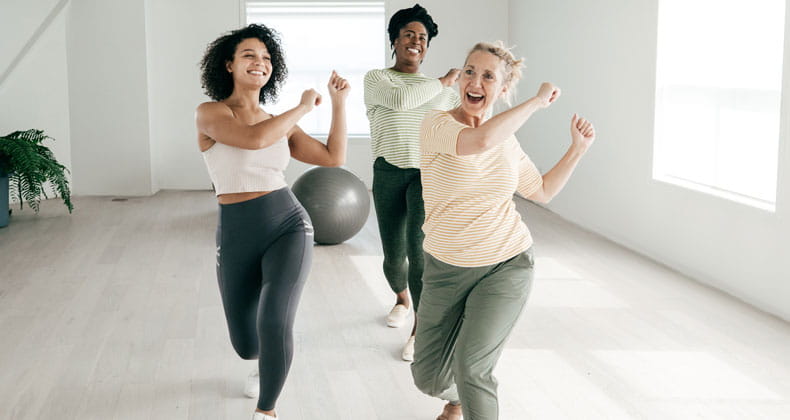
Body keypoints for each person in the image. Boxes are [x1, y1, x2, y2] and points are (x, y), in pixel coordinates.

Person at [411, 41, 596, 420]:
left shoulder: (506, 141)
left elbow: (541, 190)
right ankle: (458, 396)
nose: (475, 82)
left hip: (506, 264)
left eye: (488, 76)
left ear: (503, 90)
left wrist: (577, 149)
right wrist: (536, 102)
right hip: (446, 269)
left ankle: (472, 391)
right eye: (469, 71)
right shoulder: (437, 124)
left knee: (473, 369)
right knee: (427, 378)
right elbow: (479, 141)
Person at [196, 24, 349, 420]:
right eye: (249, 55)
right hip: (235, 232)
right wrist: (300, 107)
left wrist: (338, 103)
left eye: (266, 58)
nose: (259, 63)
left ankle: (267, 410)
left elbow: (333, 157)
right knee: (247, 345)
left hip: (288, 225)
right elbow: (252, 140)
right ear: (228, 64)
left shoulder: (280, 123)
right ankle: (264, 362)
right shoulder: (211, 113)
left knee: (275, 318)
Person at [363, 3, 460, 361]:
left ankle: (420, 329)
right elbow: (403, 101)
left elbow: (457, 130)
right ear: (395, 40)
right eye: (409, 34)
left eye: (423, 37)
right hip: (388, 171)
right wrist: (444, 81)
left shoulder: (446, 93)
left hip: (426, 175)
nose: (416, 41)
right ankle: (401, 298)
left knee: (419, 253)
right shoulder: (378, 79)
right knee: (393, 258)